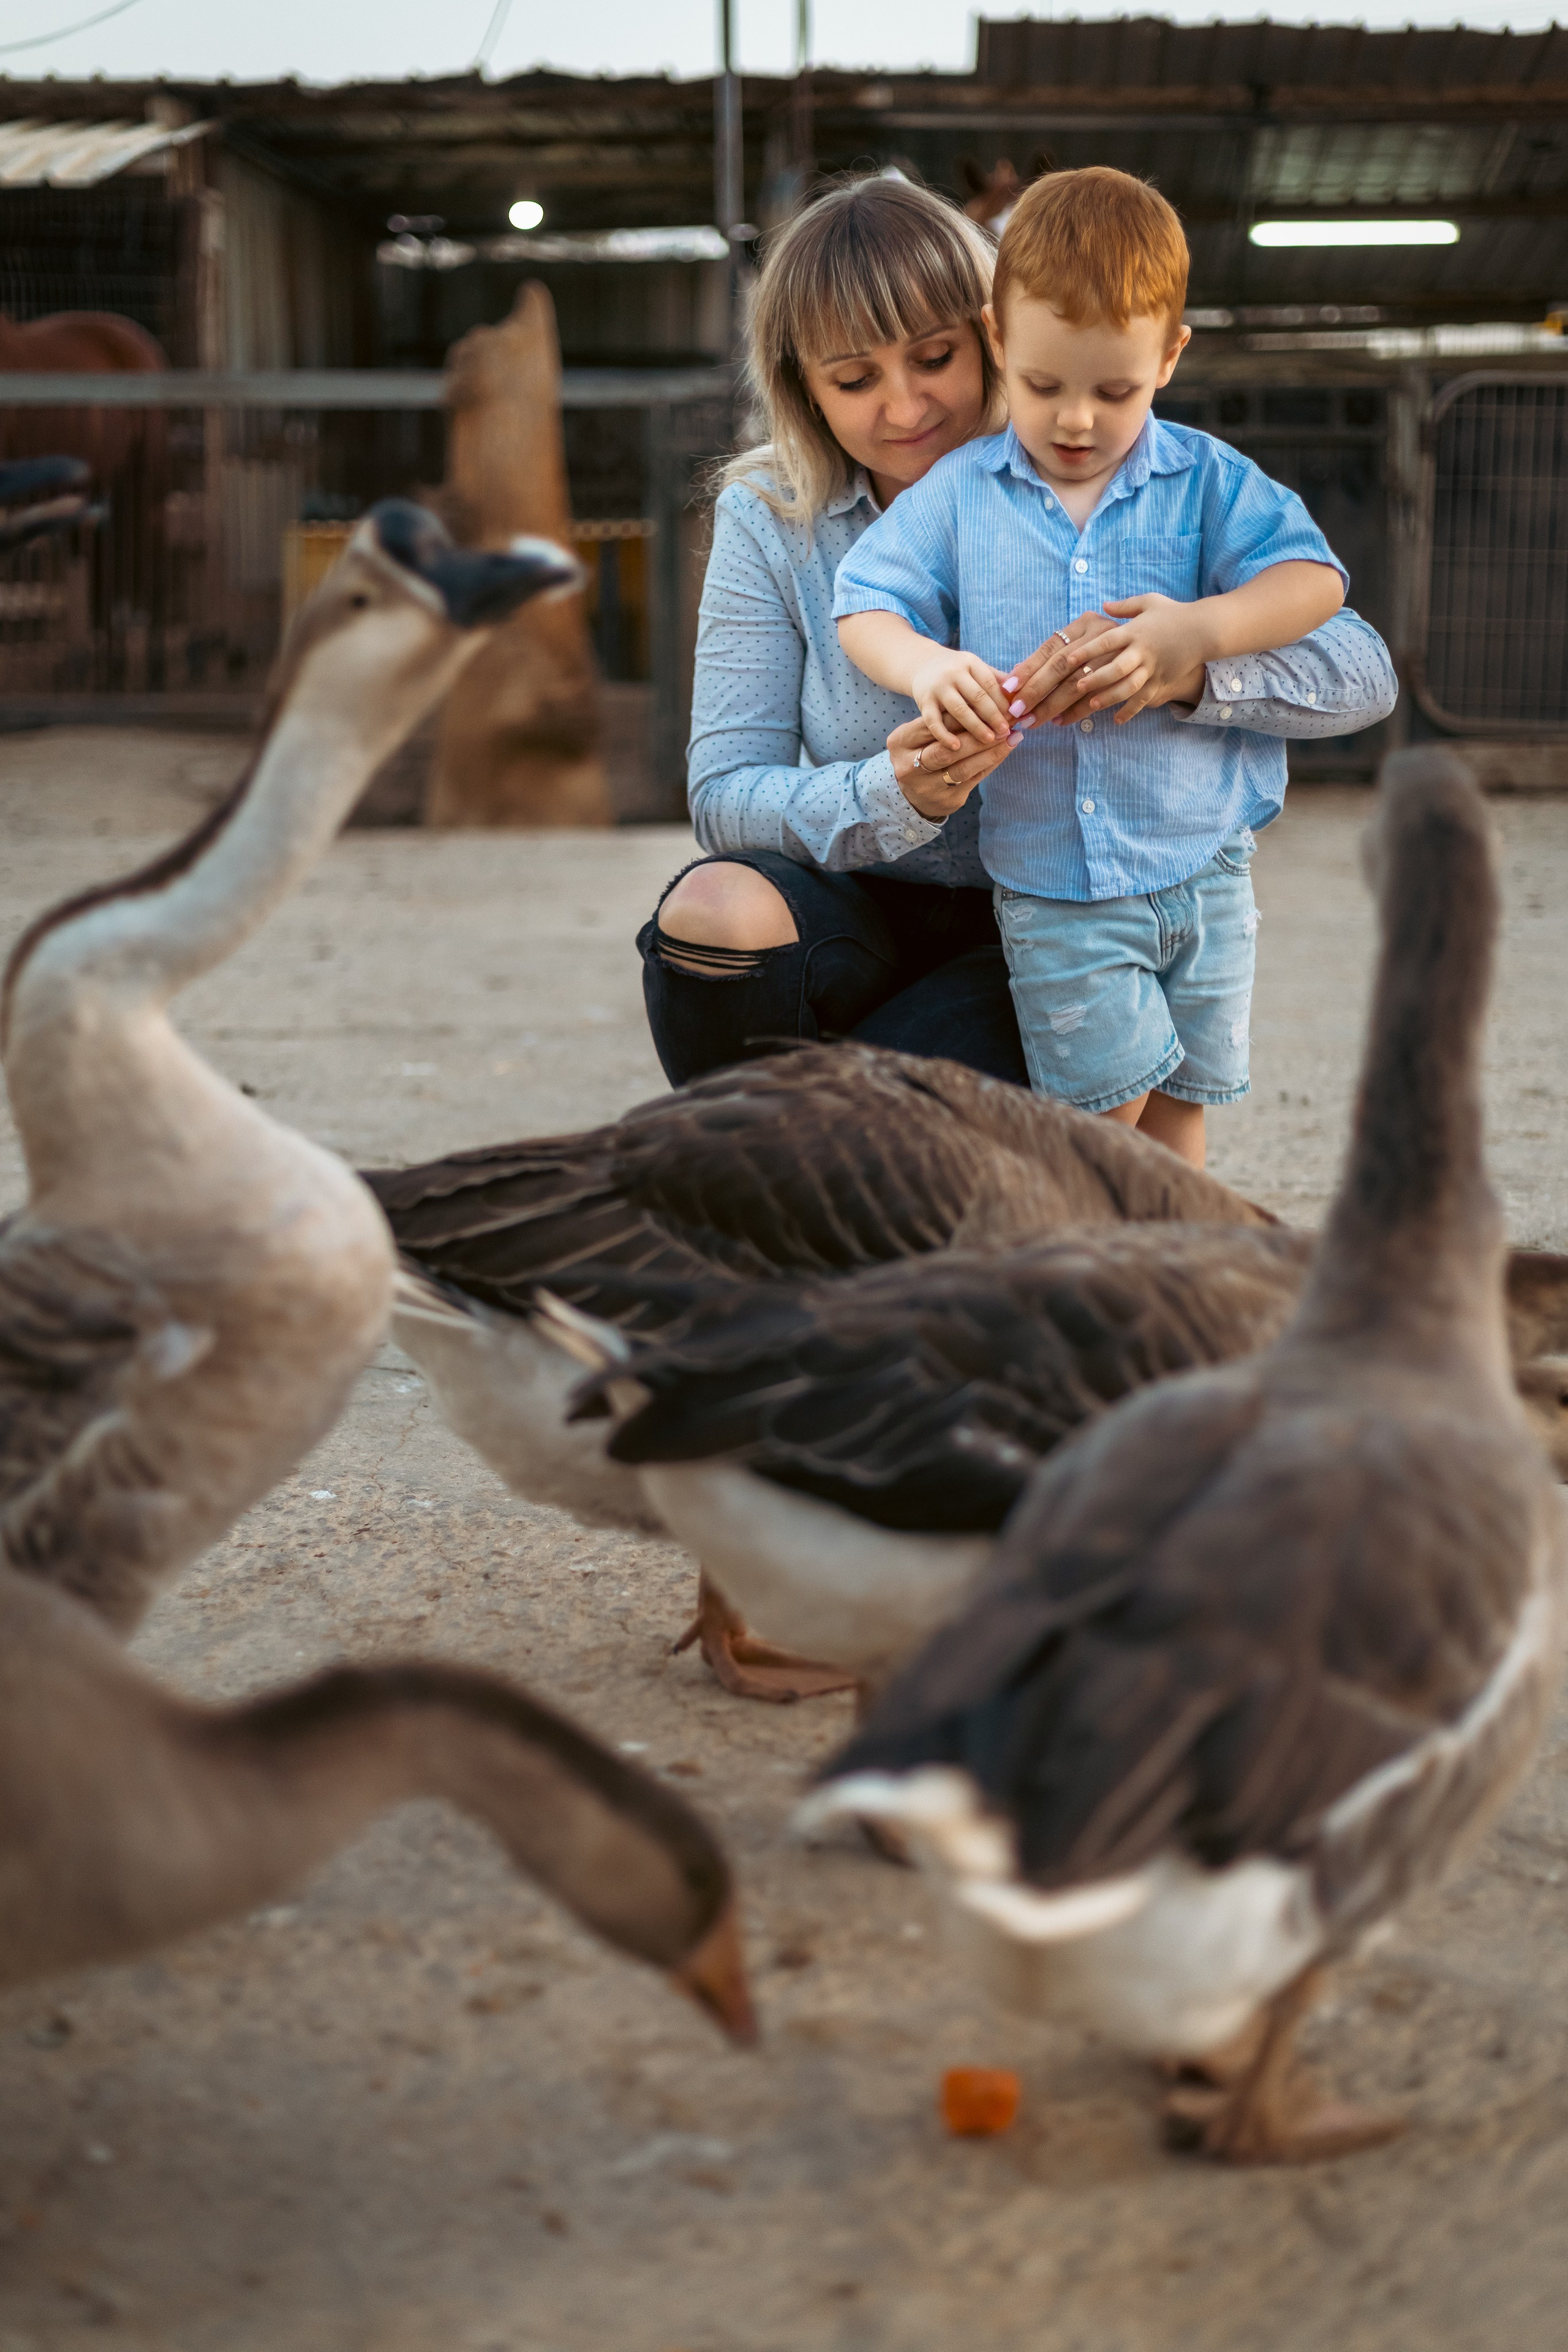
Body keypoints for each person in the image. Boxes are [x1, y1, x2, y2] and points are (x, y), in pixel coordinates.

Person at [642, 171, 1397, 1106]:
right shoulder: (768, 515)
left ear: (994, 335)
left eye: (934, 358)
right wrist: (895, 792)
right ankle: (800, 1137)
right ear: (802, 385)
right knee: (713, 913)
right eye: (854, 378)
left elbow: (1360, 667)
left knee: (905, 1126)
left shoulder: (1110, 462)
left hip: (1053, 918)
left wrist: (1186, 664)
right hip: (863, 902)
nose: (906, 407)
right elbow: (724, 795)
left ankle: (821, 1148)